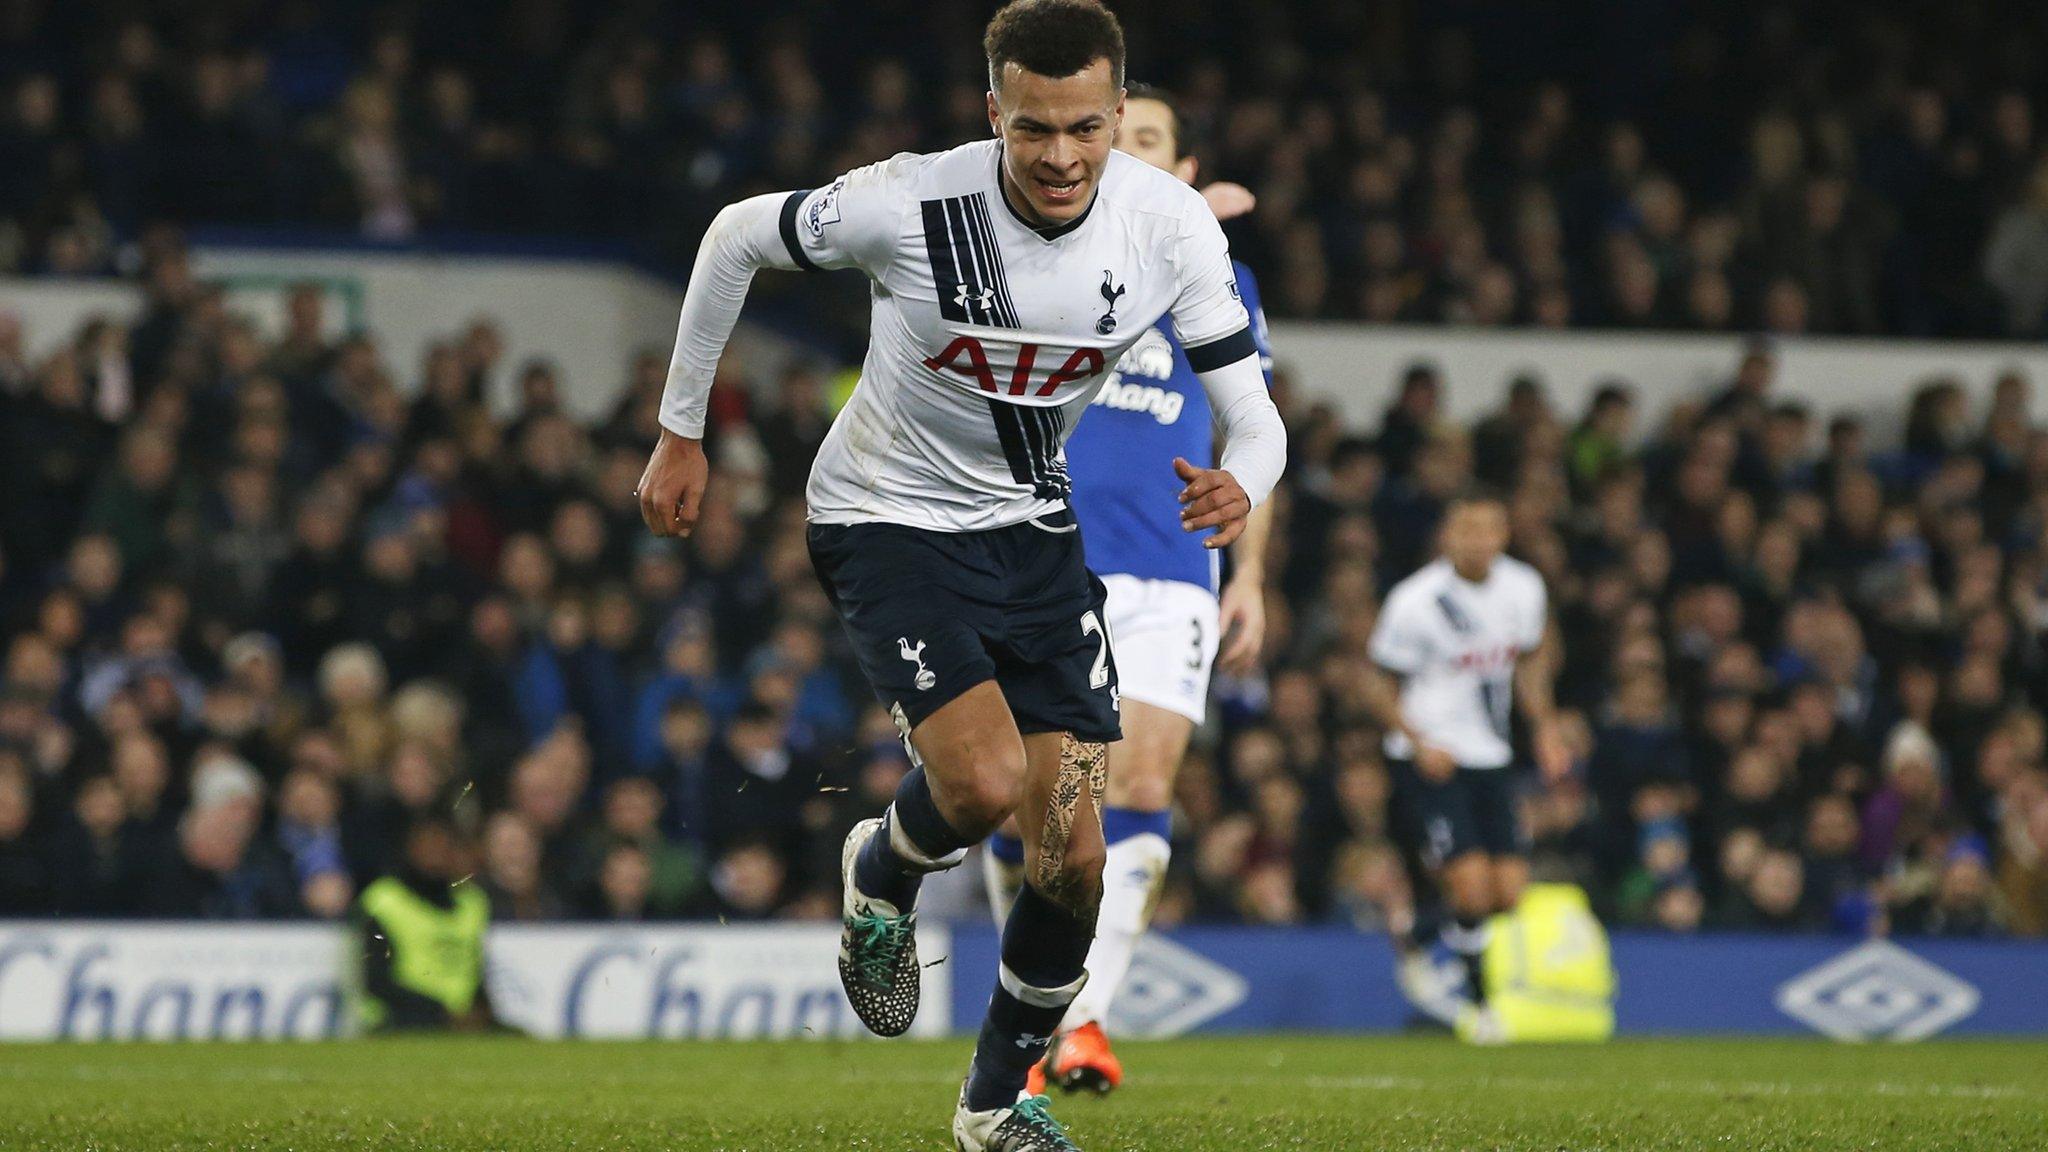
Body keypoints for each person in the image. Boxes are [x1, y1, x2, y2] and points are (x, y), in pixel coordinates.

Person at [634, 1, 1285, 1146]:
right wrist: (680, 429)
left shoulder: (1170, 228)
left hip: (1033, 535)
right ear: (995, 112)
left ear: (1116, 113)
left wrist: (1244, 480)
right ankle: (880, 870)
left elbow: (1253, 411)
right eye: (1032, 127)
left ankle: (991, 1111)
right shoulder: (910, 199)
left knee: (1072, 857)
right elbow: (737, 232)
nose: (1060, 154)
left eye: (1085, 127)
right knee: (982, 785)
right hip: (884, 515)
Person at [979, 83, 1274, 1097]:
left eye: (1156, 142)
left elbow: (1246, 427)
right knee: (1052, 802)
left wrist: (1251, 577)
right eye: (1123, 140)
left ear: (1181, 166)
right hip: (1049, 557)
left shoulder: (1220, 276)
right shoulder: (1045, 249)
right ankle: (1026, 1023)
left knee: (1141, 789)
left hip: (1171, 571)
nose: (1136, 154)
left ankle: (1082, 1024)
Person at [1365, 492, 1569, 1033]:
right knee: (1473, 886)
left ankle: (1420, 931)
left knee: (1508, 892)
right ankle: (1481, 1009)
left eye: (1488, 530)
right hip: (1432, 756)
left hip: (1492, 755)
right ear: (1447, 536)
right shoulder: (1416, 600)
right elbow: (1377, 681)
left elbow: (1526, 664)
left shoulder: (1523, 588)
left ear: (1503, 535)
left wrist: (1545, 727)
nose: (1477, 541)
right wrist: (1416, 739)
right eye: (1466, 530)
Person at [354, 816, 502, 1032]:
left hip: (461, 1022)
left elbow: (475, 971)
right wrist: (441, 1012)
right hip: (401, 1021)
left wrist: (480, 1010)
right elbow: (377, 982)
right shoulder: (383, 901)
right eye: (428, 845)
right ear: (410, 849)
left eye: (443, 845)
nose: (436, 854)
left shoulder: (473, 902)